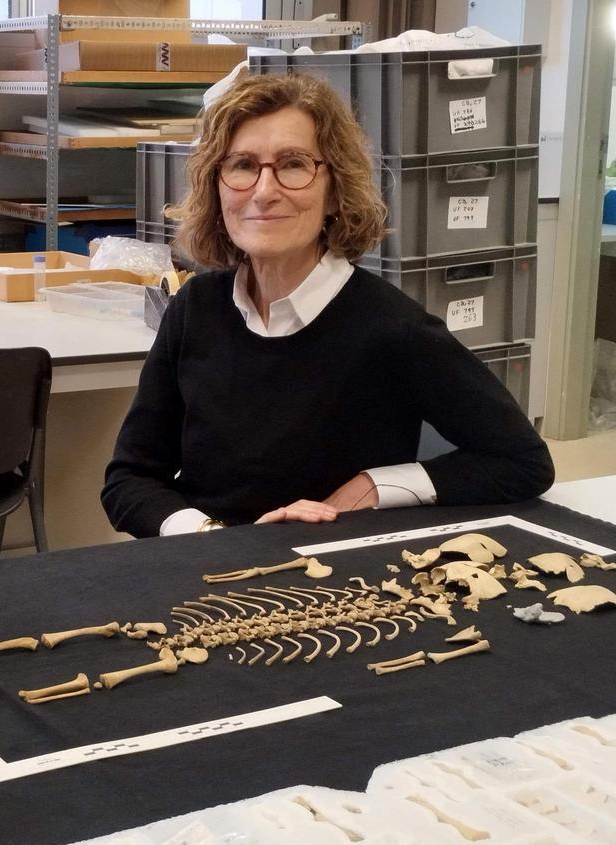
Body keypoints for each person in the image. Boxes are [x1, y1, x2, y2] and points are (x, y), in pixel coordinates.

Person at [101, 73, 554, 539]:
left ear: (335, 189)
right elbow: (129, 479)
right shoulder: (194, 309)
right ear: (217, 187)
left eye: (294, 165)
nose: (263, 191)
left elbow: (521, 460)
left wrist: (374, 486)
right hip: (207, 560)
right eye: (241, 165)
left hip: (332, 578)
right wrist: (213, 535)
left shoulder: (393, 329)